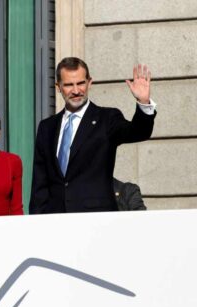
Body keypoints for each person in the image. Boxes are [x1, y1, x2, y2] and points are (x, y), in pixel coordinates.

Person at [29, 58, 156, 214]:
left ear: (89, 83)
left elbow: (138, 132)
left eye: (81, 83)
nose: (76, 91)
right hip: (55, 219)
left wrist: (143, 102)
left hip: (96, 219)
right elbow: (40, 183)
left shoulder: (107, 118)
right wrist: (35, 222)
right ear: (58, 87)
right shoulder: (47, 127)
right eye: (69, 85)